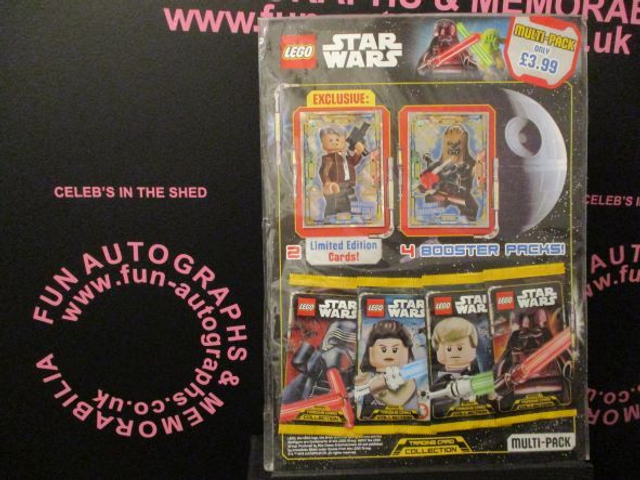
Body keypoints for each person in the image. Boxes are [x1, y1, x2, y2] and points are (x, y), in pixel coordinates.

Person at [357, 320, 418, 417]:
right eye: (383, 349)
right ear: (370, 351)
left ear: (407, 352)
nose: (389, 354)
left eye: (395, 350)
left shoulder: (407, 381)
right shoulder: (368, 376)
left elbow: (398, 401)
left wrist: (382, 393)